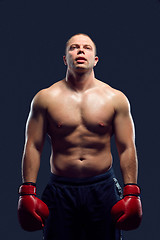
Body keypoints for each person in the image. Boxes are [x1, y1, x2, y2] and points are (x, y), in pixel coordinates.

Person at [18, 33, 142, 240]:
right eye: (74, 47)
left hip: (102, 188)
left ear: (95, 59)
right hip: (61, 189)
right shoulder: (45, 98)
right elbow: (33, 145)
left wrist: (132, 192)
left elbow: (127, 146)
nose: (81, 50)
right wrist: (27, 191)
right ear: (65, 59)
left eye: (87, 47)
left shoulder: (115, 98)